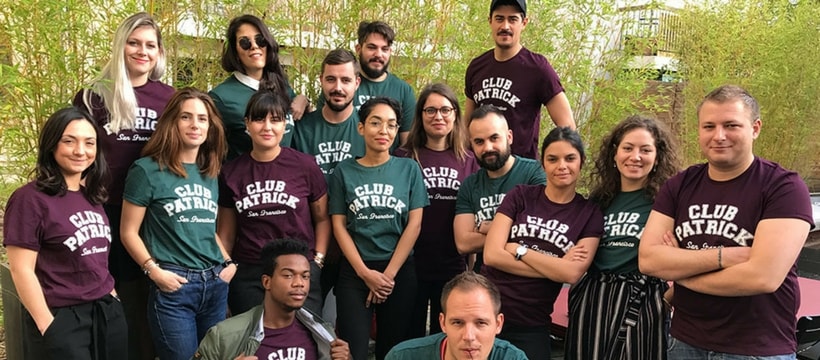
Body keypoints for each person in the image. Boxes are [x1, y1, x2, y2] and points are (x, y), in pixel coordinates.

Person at [639, 85, 814, 358]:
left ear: (755, 128)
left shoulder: (783, 187)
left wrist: (680, 271)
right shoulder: (680, 184)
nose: (718, 136)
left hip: (756, 348)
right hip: (684, 342)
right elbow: (649, 260)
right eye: (709, 126)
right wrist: (724, 256)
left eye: (731, 125)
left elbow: (762, 277)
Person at [72, 12, 175, 360]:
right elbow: (77, 152)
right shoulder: (93, 96)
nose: (142, 51)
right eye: (134, 43)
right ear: (120, 46)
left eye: (150, 45)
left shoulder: (169, 98)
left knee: (151, 293)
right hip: (105, 206)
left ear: (159, 52)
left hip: (156, 211)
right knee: (112, 292)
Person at [120, 88, 235, 360]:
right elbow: (128, 232)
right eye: (186, 117)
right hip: (175, 287)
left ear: (210, 126)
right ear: (172, 121)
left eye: (202, 119)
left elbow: (206, 228)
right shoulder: (146, 170)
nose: (195, 124)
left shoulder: (210, 171)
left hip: (215, 282)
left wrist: (228, 263)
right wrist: (154, 272)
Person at [4, 107, 127, 359]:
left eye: (89, 143)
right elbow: (21, 269)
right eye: (69, 141)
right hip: (62, 318)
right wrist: (48, 326)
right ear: (52, 144)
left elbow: (97, 259)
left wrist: (112, 297)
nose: (80, 151)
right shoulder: (30, 199)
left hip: (106, 313)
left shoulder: (92, 196)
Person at [482, 127, 603, 359]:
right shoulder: (520, 196)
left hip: (532, 323)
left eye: (570, 158)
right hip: (487, 310)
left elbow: (572, 273)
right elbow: (492, 255)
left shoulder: (589, 213)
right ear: (543, 163)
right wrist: (555, 267)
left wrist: (519, 250)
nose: (562, 166)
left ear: (582, 161)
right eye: (553, 159)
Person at [565, 115, 680, 359]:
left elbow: (684, 256)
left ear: (657, 157)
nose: (635, 156)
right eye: (628, 148)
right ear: (615, 154)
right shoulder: (598, 201)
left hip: (642, 298)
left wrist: (665, 300)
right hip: (594, 297)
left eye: (645, 150)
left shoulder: (666, 204)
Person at [328, 97, 429, 360]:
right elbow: (338, 226)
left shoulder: (409, 169)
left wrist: (387, 277)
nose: (384, 130)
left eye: (391, 125)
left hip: (398, 272)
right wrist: (365, 274)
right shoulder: (343, 171)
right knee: (352, 351)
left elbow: (415, 224)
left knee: (393, 350)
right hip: (355, 271)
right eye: (376, 123)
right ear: (361, 127)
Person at [218, 90, 329, 316]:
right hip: (250, 273)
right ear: (247, 123)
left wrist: (317, 261)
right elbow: (226, 234)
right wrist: (228, 269)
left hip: (299, 269)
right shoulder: (231, 173)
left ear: (285, 124)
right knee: (253, 336)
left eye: (275, 119)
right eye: (259, 119)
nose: (267, 127)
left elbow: (322, 219)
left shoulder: (305, 166)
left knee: (303, 335)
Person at [394, 83, 479, 337]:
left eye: (445, 110)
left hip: (452, 264)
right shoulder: (403, 157)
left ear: (455, 114)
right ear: (420, 115)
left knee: (446, 337)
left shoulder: (469, 160)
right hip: (411, 263)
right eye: (430, 110)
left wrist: (471, 264)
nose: (438, 116)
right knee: (409, 336)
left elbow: (475, 214)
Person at [193, 238, 351, 360]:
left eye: (305, 276)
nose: (299, 283)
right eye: (288, 275)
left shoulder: (324, 335)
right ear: (266, 282)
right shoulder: (224, 336)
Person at [292, 48, 366, 302]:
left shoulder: (369, 129)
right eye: (331, 79)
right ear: (321, 80)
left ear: (357, 83)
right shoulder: (301, 128)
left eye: (345, 80)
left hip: (357, 244)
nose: (338, 87)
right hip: (310, 242)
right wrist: (299, 98)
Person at [464, 0, 575, 159]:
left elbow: (567, 125)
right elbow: (467, 124)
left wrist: (553, 161)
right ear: (490, 21)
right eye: (499, 18)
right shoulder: (477, 67)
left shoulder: (538, 68)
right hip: (481, 165)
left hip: (521, 168)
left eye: (513, 19)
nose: (505, 26)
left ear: (524, 23)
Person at [453, 105, 545, 271]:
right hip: (484, 276)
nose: (488, 148)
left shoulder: (533, 173)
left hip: (527, 274)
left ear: (509, 137)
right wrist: (514, 231)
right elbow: (463, 243)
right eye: (479, 142)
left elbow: (538, 233)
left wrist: (486, 227)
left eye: (494, 138)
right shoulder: (470, 184)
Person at [210, 14, 309, 160]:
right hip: (247, 173)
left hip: (288, 171)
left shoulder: (281, 85)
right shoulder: (220, 97)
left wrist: (304, 100)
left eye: (260, 40)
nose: (254, 46)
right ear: (235, 52)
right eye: (245, 42)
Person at [315, 21, 415, 149]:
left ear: (390, 51)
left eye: (384, 49)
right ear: (358, 49)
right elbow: (323, 127)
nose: (378, 54)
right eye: (372, 47)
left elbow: (406, 146)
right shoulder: (339, 88)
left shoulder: (404, 90)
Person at [385, 271, 527, 360]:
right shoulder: (402, 356)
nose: (469, 336)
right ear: (443, 323)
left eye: (481, 323)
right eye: (458, 322)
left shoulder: (513, 358)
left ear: (498, 324)